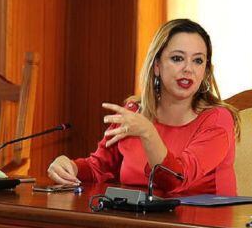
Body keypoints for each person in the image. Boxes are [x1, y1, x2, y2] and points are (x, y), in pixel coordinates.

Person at [47, 19, 239, 196]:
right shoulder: (134, 112)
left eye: (198, 60)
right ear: (156, 65)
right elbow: (99, 167)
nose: (188, 68)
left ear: (205, 71)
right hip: (139, 225)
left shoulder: (218, 119)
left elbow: (176, 180)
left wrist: (148, 133)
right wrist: (70, 168)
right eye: (177, 58)